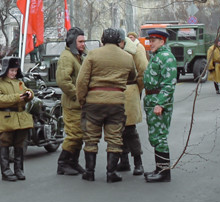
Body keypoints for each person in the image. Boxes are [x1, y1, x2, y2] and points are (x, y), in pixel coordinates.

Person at [75, 28, 137, 183]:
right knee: (115, 137)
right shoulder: (127, 57)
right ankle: (111, 173)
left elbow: (82, 81)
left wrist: (82, 100)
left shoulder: (93, 55)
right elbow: (132, 77)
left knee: (91, 137)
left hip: (94, 102)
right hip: (116, 102)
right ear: (119, 41)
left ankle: (89, 172)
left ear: (102, 40)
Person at [0, 57, 34, 182]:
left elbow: (26, 90)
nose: (14, 73)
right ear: (6, 70)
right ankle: (6, 171)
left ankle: (19, 169)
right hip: (7, 118)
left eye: (15, 70)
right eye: (11, 70)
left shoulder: (19, 82)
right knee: (4, 144)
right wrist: (16, 98)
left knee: (19, 144)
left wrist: (30, 94)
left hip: (20, 117)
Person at [142, 29, 178, 183]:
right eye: (150, 41)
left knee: (160, 137)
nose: (151, 44)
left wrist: (160, 104)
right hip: (152, 100)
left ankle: (164, 173)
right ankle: (159, 169)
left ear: (162, 41)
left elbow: (169, 84)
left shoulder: (166, 57)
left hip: (158, 102)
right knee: (156, 137)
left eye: (154, 41)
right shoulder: (157, 56)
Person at [55, 27, 87, 176]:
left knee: (80, 135)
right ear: (72, 42)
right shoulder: (67, 57)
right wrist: (77, 95)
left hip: (79, 104)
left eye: (84, 41)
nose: (83, 44)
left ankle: (73, 162)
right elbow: (63, 80)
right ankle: (62, 164)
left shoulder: (78, 56)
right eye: (80, 41)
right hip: (73, 104)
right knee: (74, 135)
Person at [119, 29, 147, 176]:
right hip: (116, 93)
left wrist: (136, 89)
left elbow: (143, 70)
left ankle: (138, 162)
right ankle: (124, 161)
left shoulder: (136, 49)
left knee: (130, 130)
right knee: (118, 129)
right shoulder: (116, 49)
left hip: (129, 91)